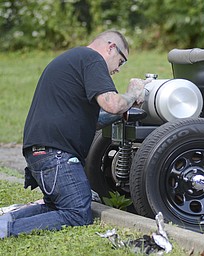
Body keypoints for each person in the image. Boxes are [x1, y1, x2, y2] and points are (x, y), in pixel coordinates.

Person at [0, 30, 150, 238]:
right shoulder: (92, 59)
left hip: (41, 152)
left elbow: (96, 119)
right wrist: (133, 93)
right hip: (56, 155)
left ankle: (4, 223)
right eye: (121, 61)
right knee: (78, 213)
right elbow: (112, 104)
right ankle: (5, 230)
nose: (117, 69)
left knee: (56, 207)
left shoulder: (74, 60)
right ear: (110, 48)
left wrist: (123, 112)